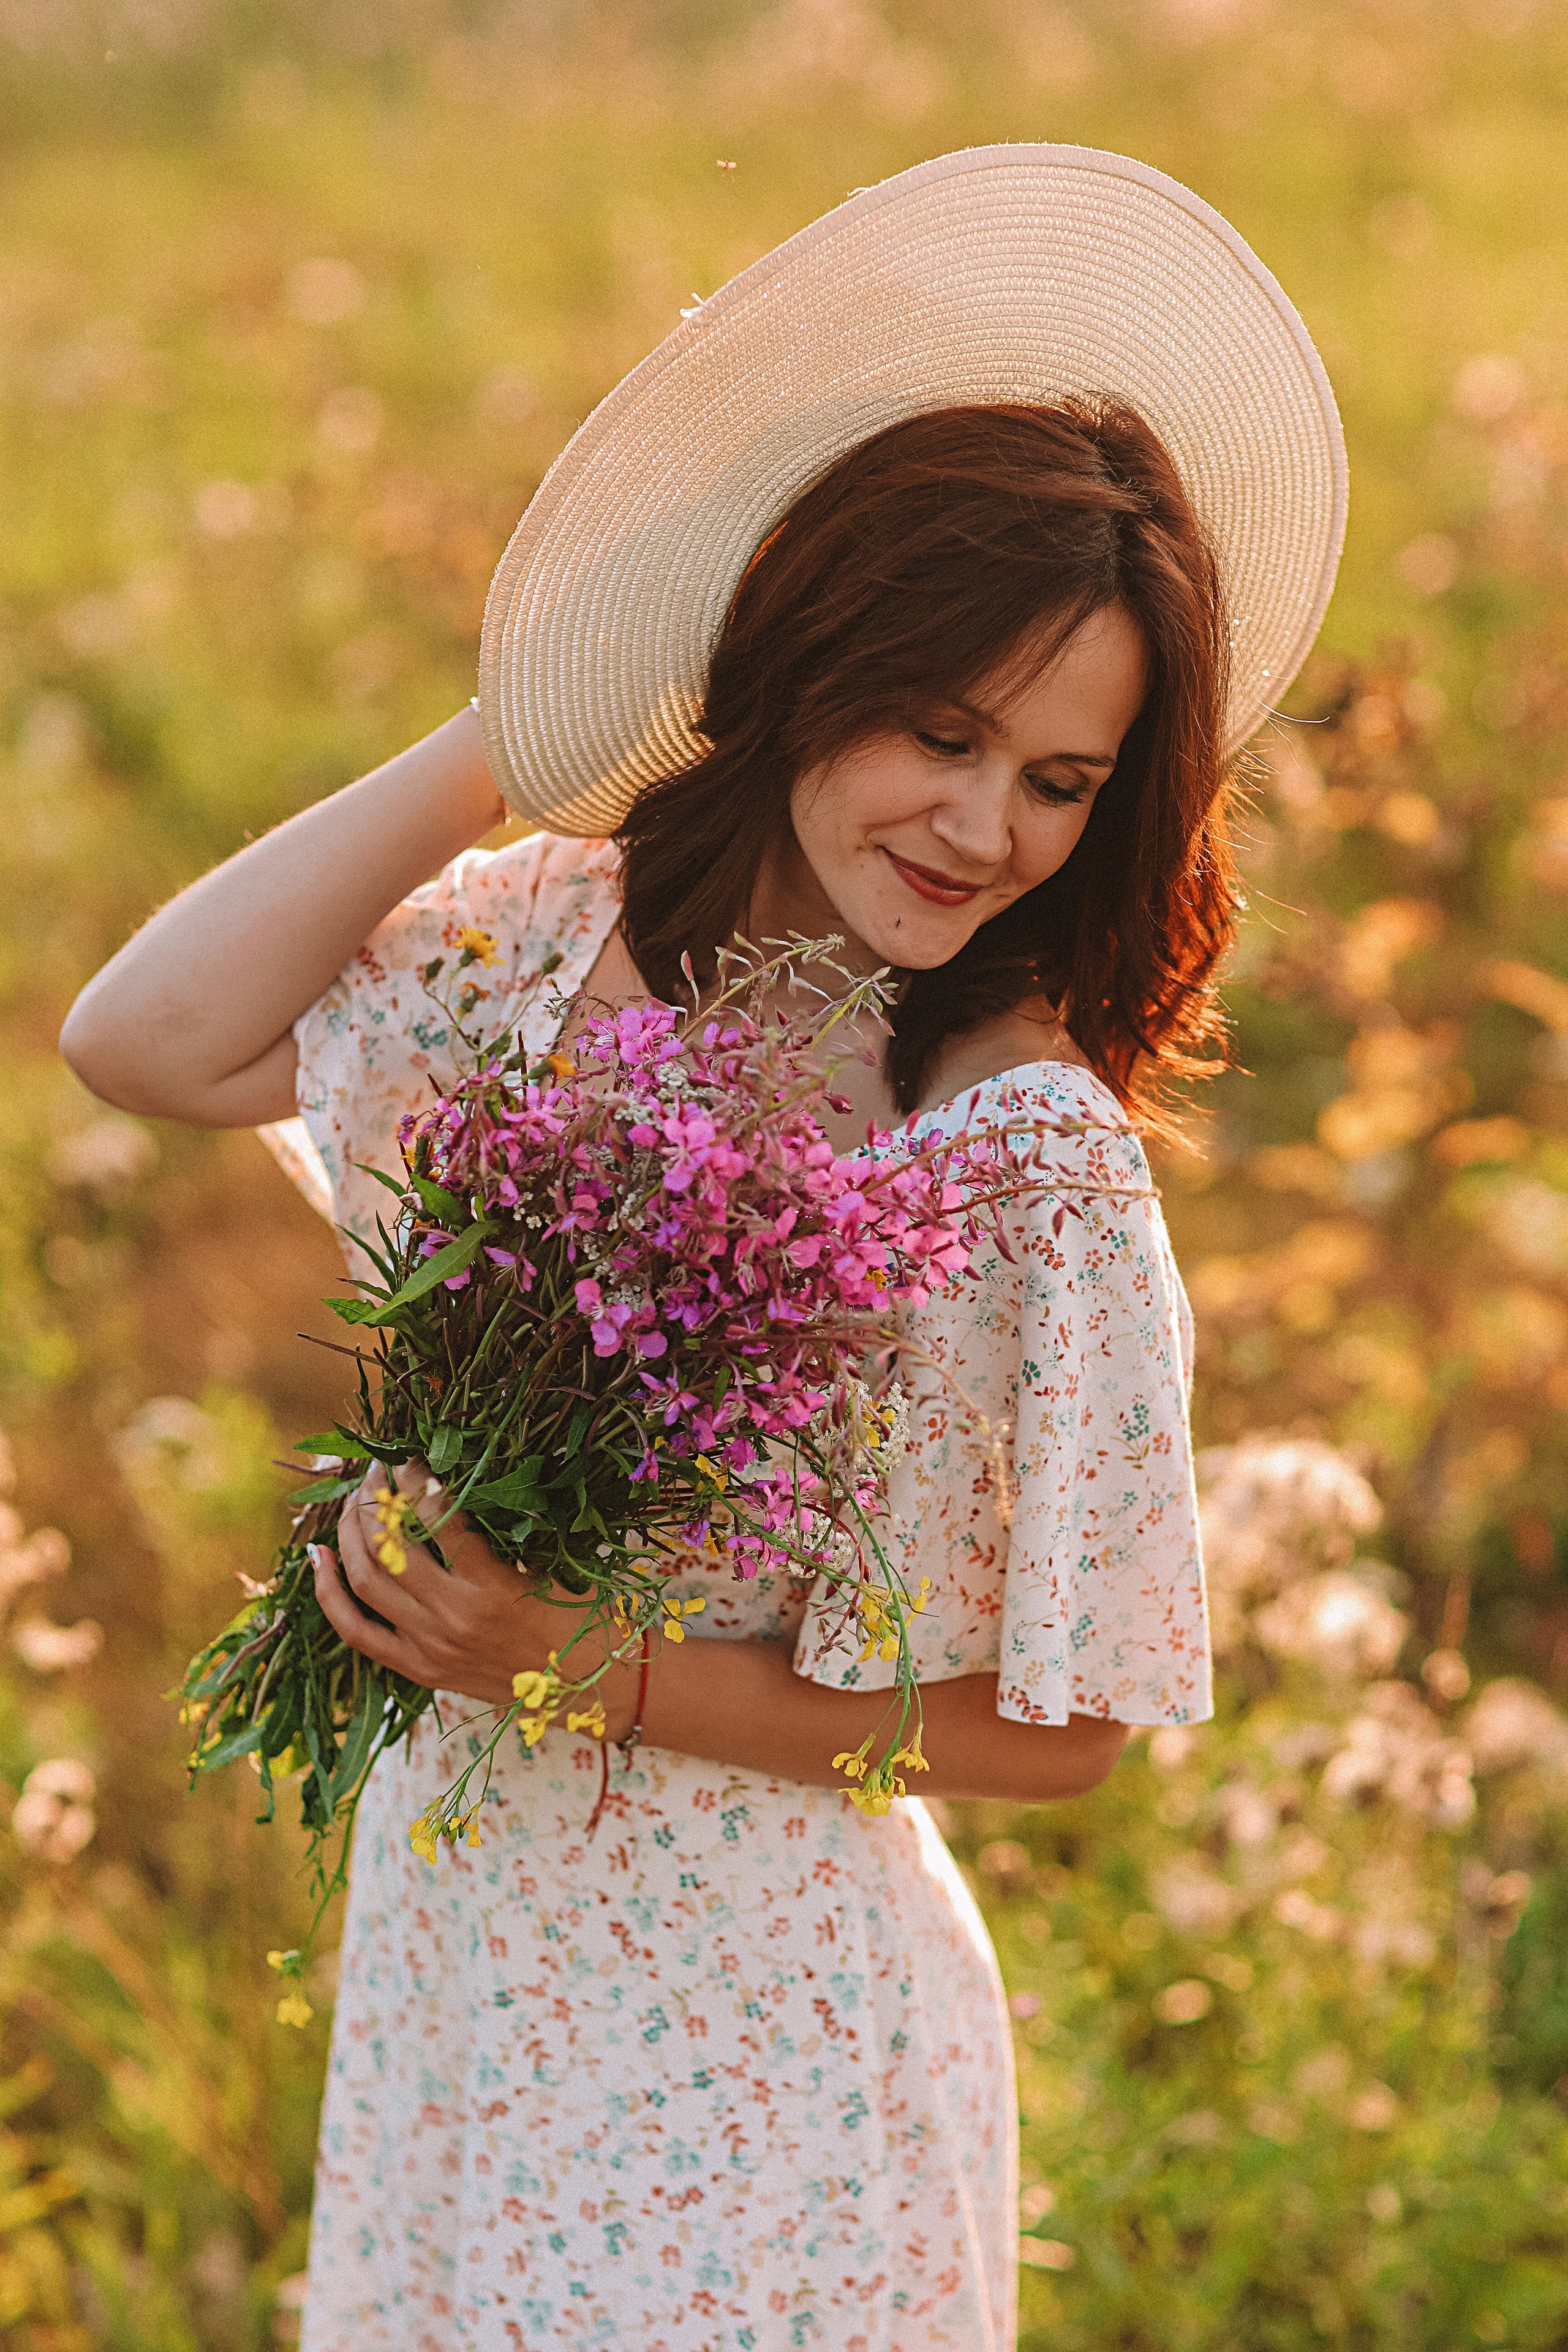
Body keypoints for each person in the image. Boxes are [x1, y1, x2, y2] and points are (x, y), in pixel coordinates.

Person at [60, 148, 1344, 2352]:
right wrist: (545, 713)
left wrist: (589, 1675)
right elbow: (145, 1037)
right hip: (462, 1965)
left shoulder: (1019, 1156)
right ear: (798, 666)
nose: (983, 829)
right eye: (938, 734)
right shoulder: (548, 953)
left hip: (760, 2048)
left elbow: (1068, 1737)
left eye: (1058, 779)